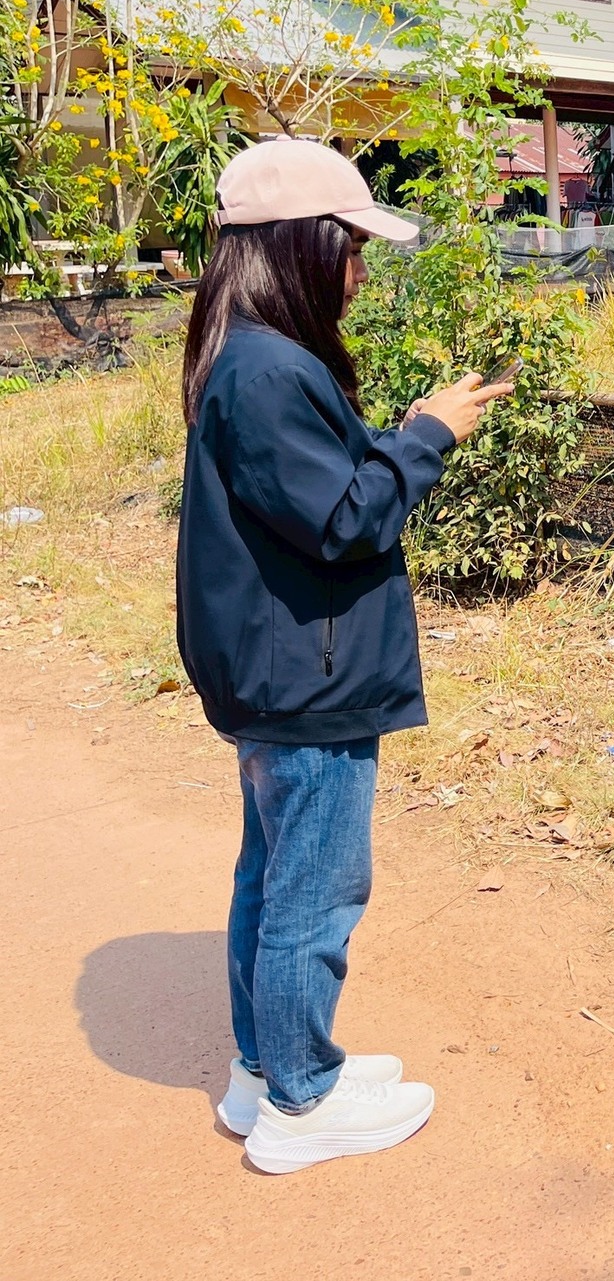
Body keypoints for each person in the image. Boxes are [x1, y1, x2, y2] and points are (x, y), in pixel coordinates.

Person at [176, 138, 513, 1175]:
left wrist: (403, 424)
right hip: (305, 679)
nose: (360, 272)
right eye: (350, 248)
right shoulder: (270, 369)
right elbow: (344, 518)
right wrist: (428, 439)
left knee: (271, 877)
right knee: (314, 892)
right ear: (298, 249)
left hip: (280, 669)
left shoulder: (246, 352)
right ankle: (302, 1101)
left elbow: (311, 485)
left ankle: (267, 1065)